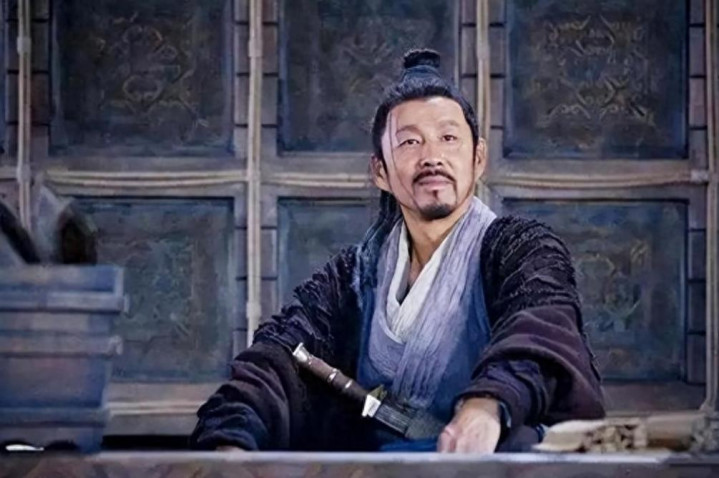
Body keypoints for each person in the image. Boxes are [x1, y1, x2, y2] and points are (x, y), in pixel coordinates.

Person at [190, 49, 605, 453]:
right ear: (380, 172)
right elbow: (278, 359)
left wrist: (486, 407)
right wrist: (231, 446)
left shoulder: (522, 249)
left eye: (448, 138)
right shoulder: (355, 276)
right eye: (409, 142)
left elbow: (540, 330)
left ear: (478, 158)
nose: (432, 157)